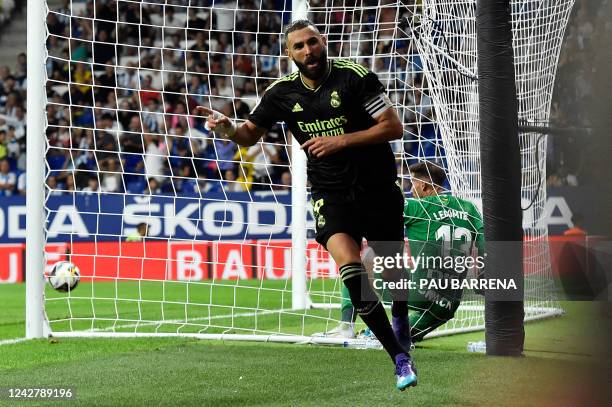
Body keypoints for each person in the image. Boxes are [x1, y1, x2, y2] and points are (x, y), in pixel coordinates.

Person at [194, 19, 416, 391]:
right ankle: (398, 356)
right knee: (349, 263)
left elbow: (393, 127)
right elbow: (250, 134)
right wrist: (229, 129)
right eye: (298, 46)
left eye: (312, 42)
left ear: (323, 41)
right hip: (330, 192)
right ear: (289, 53)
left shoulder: (355, 77)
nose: (307, 50)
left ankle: (401, 316)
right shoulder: (281, 92)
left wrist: (340, 141)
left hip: (377, 187)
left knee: (392, 267)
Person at [330, 162, 485, 342]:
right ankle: (386, 334)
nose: (411, 189)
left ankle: (346, 326)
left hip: (418, 292)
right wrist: (482, 272)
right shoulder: (470, 208)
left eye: (413, 184)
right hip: (448, 303)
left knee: (362, 258)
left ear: (424, 186)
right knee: (400, 335)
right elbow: (484, 240)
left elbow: (377, 218)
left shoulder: (417, 207)